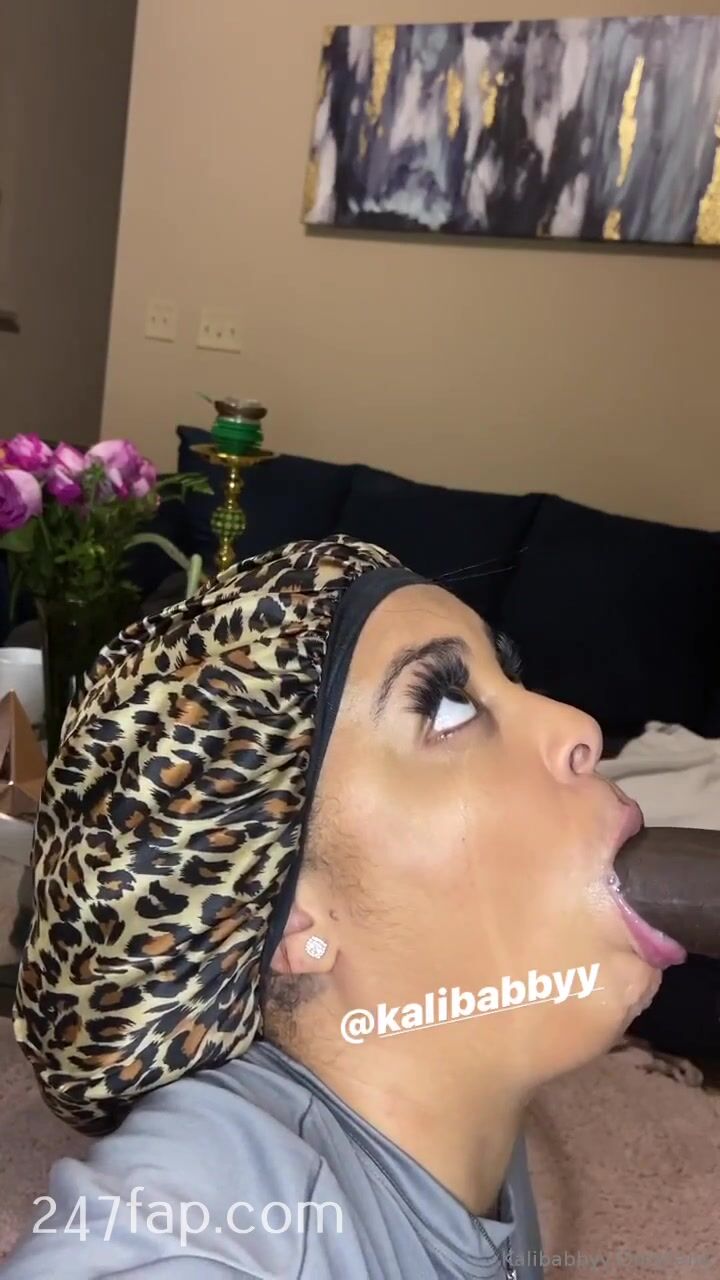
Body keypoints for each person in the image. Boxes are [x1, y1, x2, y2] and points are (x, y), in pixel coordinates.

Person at [1, 534, 670, 1279]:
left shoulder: (458, 1101)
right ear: (293, 916)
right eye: (446, 706)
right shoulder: (204, 1231)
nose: (579, 725)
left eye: (509, 680)